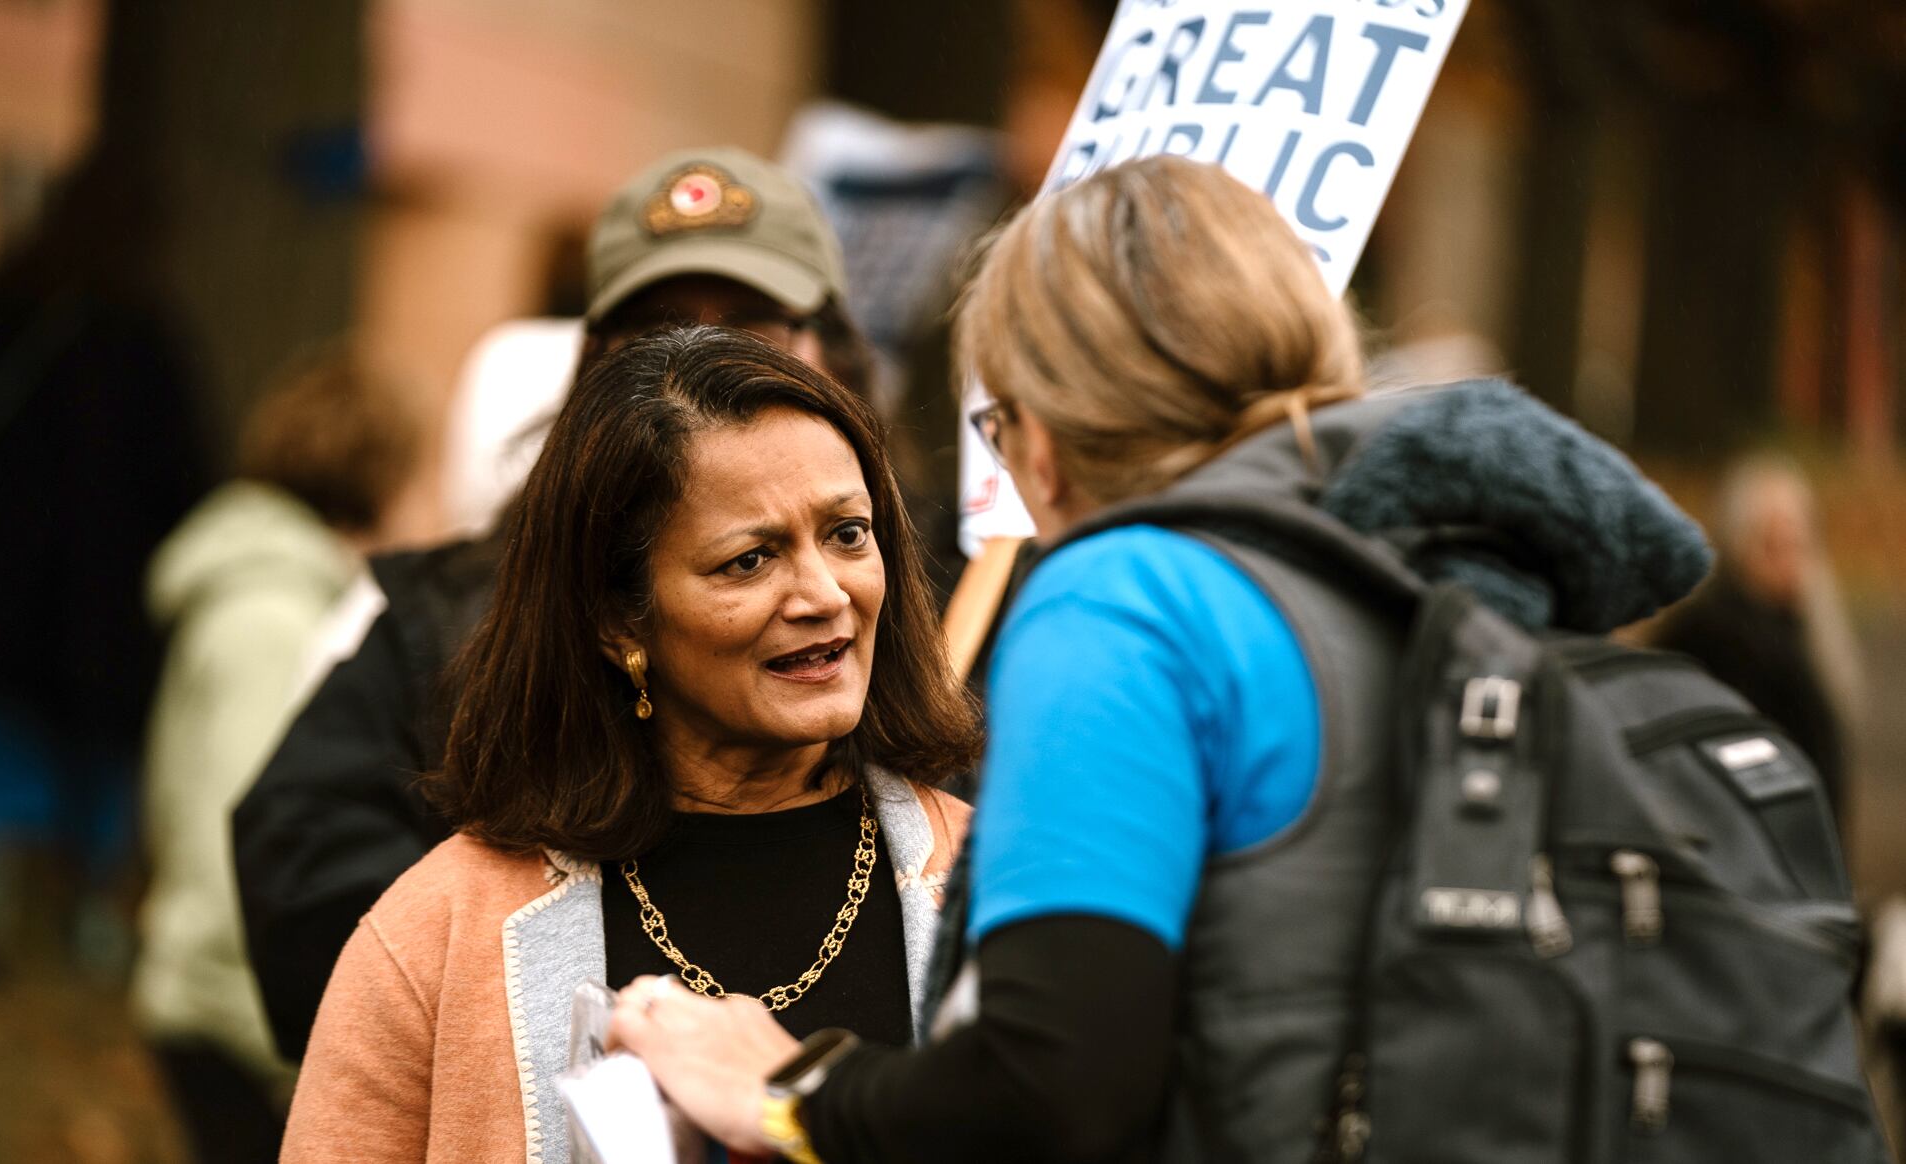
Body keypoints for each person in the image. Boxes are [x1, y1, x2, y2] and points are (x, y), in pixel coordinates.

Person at [609, 156, 1713, 1162]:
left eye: (998, 427)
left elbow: (1054, 1084)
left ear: (1046, 432)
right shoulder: (1426, 574)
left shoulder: (1122, 602)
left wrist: (791, 1093)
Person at [233, 146, 886, 1063]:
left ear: (833, 352)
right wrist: (563, 997)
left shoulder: (934, 601)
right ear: (590, 366)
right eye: (658, 329)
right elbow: (304, 891)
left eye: (752, 324)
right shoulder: (450, 615)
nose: (705, 358)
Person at [280, 328, 978, 1163]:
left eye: (847, 534)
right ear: (617, 621)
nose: (825, 594)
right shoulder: (436, 936)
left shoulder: (999, 886)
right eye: (749, 560)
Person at [0, 144, 212, 978]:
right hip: (104, 600)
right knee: (101, 755)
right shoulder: (145, 329)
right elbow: (183, 470)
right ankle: (91, 913)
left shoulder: (3, 300)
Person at [132, 347, 417, 1163]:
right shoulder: (272, 620)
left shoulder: (283, 597)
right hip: (228, 1015)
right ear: (374, 476)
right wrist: (288, 1048)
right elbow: (237, 836)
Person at [1655, 454, 1860, 827]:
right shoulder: (1719, 638)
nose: (1788, 561)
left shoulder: (1798, 627)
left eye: (1796, 543)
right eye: (1772, 545)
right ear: (1740, 544)